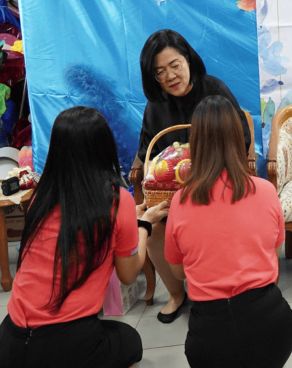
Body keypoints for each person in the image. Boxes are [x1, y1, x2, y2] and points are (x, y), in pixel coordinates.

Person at [0, 107, 168, 367]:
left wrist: (128, 220)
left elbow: (78, 221)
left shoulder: (40, 198)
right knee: (130, 341)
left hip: (10, 339)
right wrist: (143, 225)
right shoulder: (117, 201)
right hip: (63, 344)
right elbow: (128, 273)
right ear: (104, 147)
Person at [165, 96, 292, 367]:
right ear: (239, 137)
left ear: (196, 142)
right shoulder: (266, 191)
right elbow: (274, 254)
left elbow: (178, 272)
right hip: (272, 329)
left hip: (210, 339)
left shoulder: (180, 200)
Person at [135, 29, 252, 323]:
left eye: (174, 65)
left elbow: (242, 139)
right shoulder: (155, 106)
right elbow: (147, 151)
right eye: (160, 72)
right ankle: (177, 293)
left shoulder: (215, 91)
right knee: (154, 231)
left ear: (188, 58)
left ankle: (217, 289)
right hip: (172, 197)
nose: (170, 76)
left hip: (217, 189)